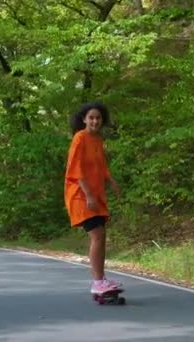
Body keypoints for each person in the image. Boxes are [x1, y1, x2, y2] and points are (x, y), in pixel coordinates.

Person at [64, 102, 122, 294]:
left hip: (95, 194)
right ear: (84, 120)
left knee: (101, 236)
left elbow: (100, 165)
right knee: (97, 235)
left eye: (98, 118)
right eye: (91, 117)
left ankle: (101, 279)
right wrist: (88, 195)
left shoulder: (97, 139)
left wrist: (111, 181)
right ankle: (97, 283)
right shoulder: (80, 138)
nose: (95, 121)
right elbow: (75, 169)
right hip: (80, 196)